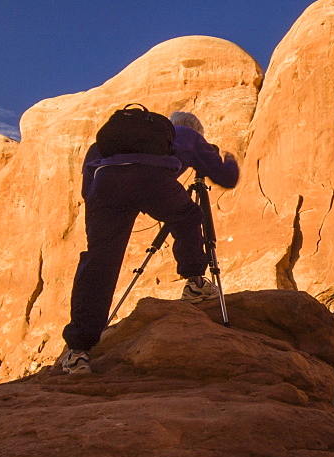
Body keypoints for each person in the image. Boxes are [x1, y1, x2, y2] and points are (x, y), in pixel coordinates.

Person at [60, 109, 239, 374]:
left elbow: (90, 187)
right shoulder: (188, 135)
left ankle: (78, 351)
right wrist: (228, 158)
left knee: (100, 262)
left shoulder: (109, 141)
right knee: (189, 216)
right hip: (153, 179)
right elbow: (226, 178)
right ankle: (195, 284)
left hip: (106, 183)